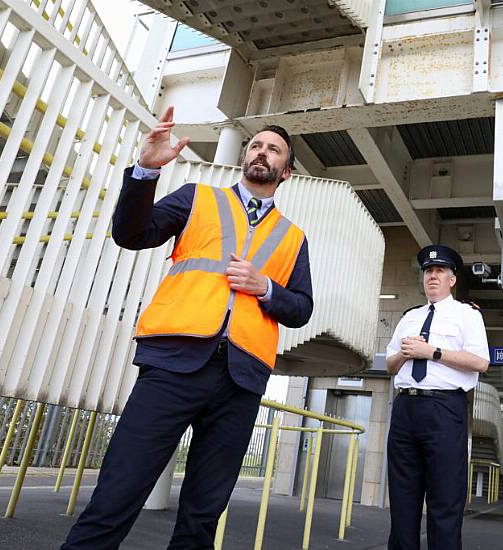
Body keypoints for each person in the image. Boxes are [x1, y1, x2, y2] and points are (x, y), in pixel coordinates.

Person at [61, 106, 313, 549]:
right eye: (255, 144)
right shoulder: (199, 198)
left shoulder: (294, 238)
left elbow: (301, 309)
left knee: (203, 513)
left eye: (273, 150)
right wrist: (145, 171)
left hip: (241, 380)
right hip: (175, 363)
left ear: (286, 171)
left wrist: (266, 288)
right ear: (244, 157)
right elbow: (132, 233)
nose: (261, 151)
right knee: (119, 490)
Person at [385, 244, 490, 550]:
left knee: (445, 502)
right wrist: (406, 353)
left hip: (444, 410)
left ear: (452, 279)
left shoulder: (466, 315)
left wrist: (432, 352)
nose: (432, 276)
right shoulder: (409, 318)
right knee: (403, 502)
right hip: (405, 408)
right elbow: (391, 365)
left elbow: (480, 362)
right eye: (428, 271)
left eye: (439, 271)